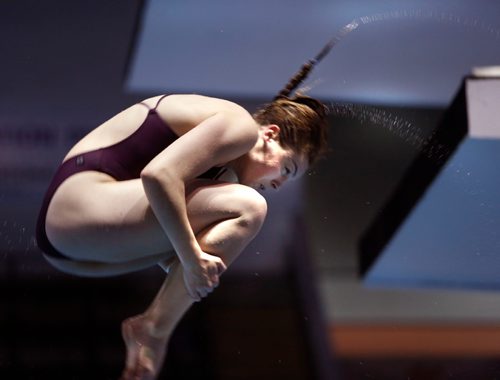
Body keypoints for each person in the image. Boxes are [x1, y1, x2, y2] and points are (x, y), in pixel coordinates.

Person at [36, 70, 328, 379]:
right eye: (288, 168)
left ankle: (153, 329)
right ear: (269, 135)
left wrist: (188, 260)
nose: (280, 183)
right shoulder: (241, 127)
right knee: (250, 207)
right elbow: (159, 175)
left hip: (76, 248)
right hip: (78, 204)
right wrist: (190, 258)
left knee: (220, 226)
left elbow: (172, 251)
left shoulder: (224, 175)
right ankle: (154, 329)